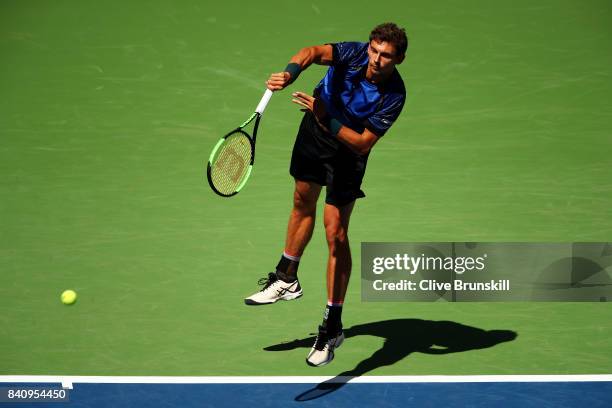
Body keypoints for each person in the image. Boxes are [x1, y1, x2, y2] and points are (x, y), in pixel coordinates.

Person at [244, 22, 408, 367]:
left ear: (399, 59)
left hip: (347, 154)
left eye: (386, 56)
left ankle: (332, 326)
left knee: (336, 233)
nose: (377, 59)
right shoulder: (351, 53)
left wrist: (324, 116)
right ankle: (287, 278)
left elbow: (363, 143)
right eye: (374, 50)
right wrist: (290, 73)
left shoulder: (394, 95)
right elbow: (312, 53)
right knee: (302, 202)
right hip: (313, 137)